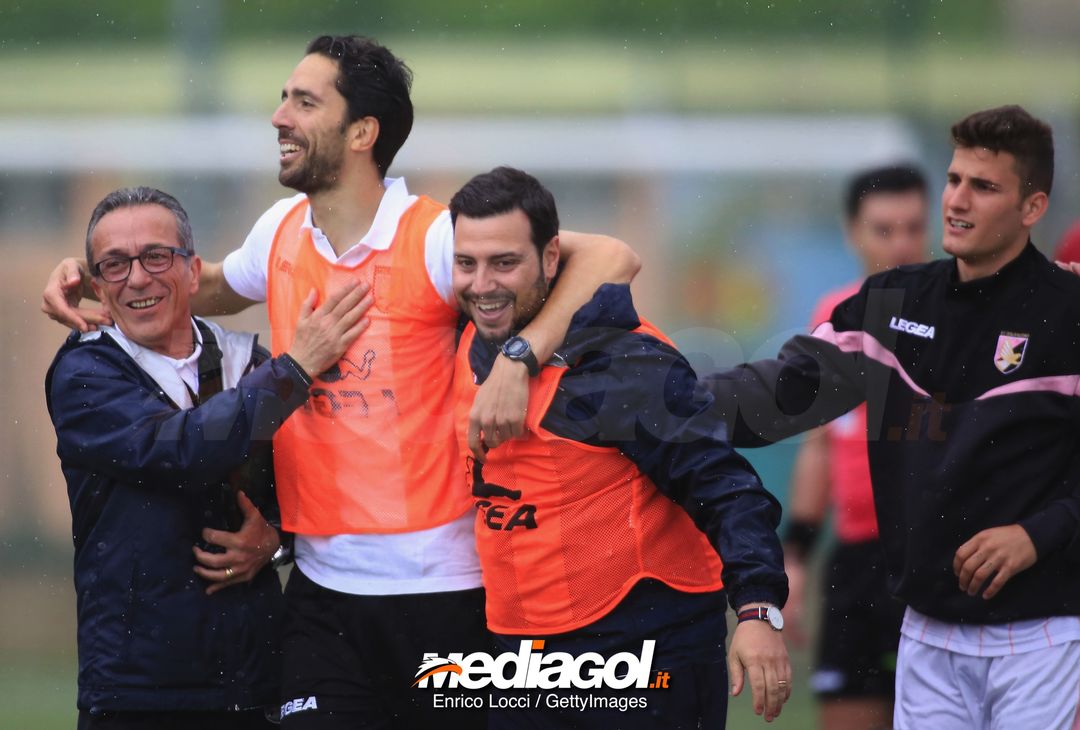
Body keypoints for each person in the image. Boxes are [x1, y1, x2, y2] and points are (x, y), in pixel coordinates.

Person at [41, 35, 639, 728]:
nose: (278, 117)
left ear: (362, 132)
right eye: (283, 98)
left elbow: (611, 257)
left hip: (444, 590)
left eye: (303, 101)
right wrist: (94, 278)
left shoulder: (434, 238)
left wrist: (519, 359)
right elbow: (191, 281)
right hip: (322, 596)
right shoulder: (282, 230)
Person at [705, 105, 1080, 730]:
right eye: (955, 180)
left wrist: (1039, 532)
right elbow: (777, 394)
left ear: (1032, 207)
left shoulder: (1071, 313)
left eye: (984, 187)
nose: (957, 201)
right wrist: (648, 401)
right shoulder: (892, 302)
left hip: (1044, 636)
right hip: (927, 635)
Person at [448, 166, 790, 729]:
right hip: (520, 656)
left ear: (552, 258)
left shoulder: (625, 364)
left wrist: (757, 610)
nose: (483, 284)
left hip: (643, 646)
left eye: (506, 263)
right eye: (467, 263)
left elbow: (727, 490)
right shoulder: (468, 330)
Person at [46, 187, 369, 730]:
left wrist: (277, 538)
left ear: (194, 272)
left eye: (155, 256)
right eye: (115, 265)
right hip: (138, 695)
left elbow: (310, 483)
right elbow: (181, 449)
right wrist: (296, 368)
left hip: (259, 684)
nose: (139, 278)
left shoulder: (252, 363)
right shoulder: (85, 372)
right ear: (97, 286)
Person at [783, 164, 928, 730]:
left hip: (935, 557)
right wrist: (795, 555)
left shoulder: (959, 316)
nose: (901, 244)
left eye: (913, 228)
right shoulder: (835, 314)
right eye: (883, 229)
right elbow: (820, 444)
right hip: (859, 557)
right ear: (852, 232)